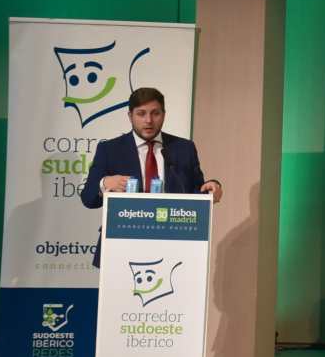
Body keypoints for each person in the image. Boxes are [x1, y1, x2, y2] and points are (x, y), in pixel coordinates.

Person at [80, 87, 223, 267]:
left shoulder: (183, 148)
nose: (148, 121)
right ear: (130, 116)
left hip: (175, 247)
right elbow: (88, 198)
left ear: (164, 114)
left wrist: (211, 187)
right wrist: (104, 183)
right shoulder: (110, 150)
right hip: (121, 246)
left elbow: (195, 193)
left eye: (155, 113)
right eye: (141, 114)